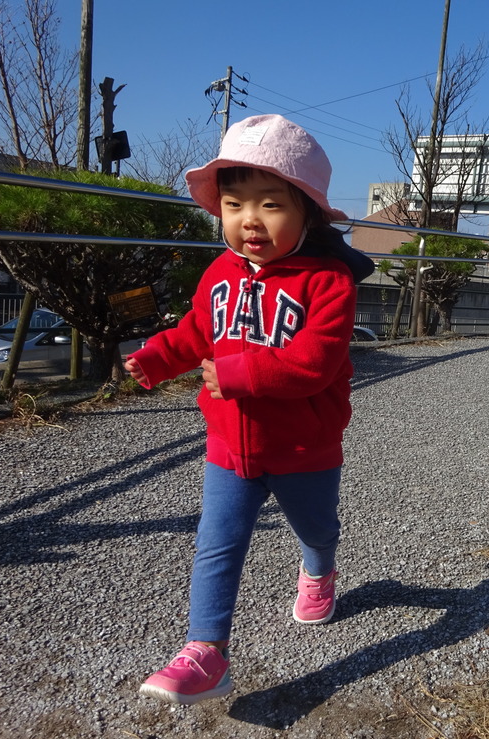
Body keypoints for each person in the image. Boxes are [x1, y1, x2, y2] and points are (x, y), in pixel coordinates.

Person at [125, 114, 374, 705]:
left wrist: (238, 372)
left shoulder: (329, 283)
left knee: (314, 526)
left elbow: (316, 362)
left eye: (270, 204)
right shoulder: (218, 274)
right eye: (234, 204)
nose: (250, 220)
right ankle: (206, 652)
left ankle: (319, 568)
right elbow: (196, 331)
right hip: (229, 444)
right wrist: (160, 358)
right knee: (218, 542)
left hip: (303, 446)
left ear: (308, 213)